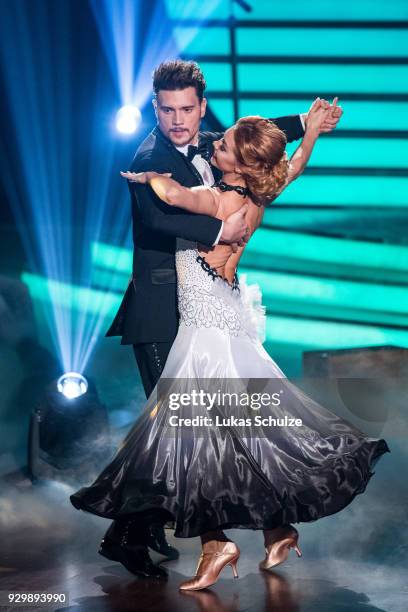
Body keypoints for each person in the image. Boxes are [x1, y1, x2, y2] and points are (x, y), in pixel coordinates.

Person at [71, 105, 390, 591]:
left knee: (197, 441)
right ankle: (276, 529)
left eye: (220, 147)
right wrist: (310, 137)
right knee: (240, 434)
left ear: (238, 165)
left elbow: (175, 194)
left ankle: (218, 545)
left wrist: (148, 178)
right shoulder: (263, 191)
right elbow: (295, 164)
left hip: (205, 333)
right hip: (229, 319)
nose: (213, 146)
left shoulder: (219, 200)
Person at [102, 58, 342, 572]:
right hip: (161, 310)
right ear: (156, 108)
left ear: (202, 107)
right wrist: (220, 233)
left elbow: (259, 138)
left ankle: (174, 535)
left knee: (188, 433)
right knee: (183, 433)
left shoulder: (217, 143)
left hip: (203, 310)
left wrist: (306, 121)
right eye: (167, 110)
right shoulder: (151, 153)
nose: (179, 120)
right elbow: (155, 215)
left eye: (187, 109)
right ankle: (197, 531)